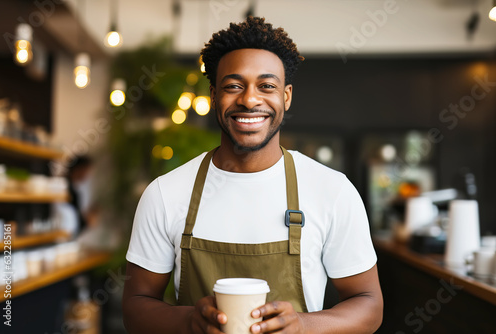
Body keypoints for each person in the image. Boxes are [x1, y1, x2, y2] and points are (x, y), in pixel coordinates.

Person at [123, 16, 383, 333]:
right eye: (233, 86)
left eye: (266, 86)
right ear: (214, 95)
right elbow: (135, 306)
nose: (249, 99)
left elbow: (369, 304)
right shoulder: (166, 193)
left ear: (285, 97)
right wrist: (190, 320)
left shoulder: (332, 190)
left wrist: (303, 325)